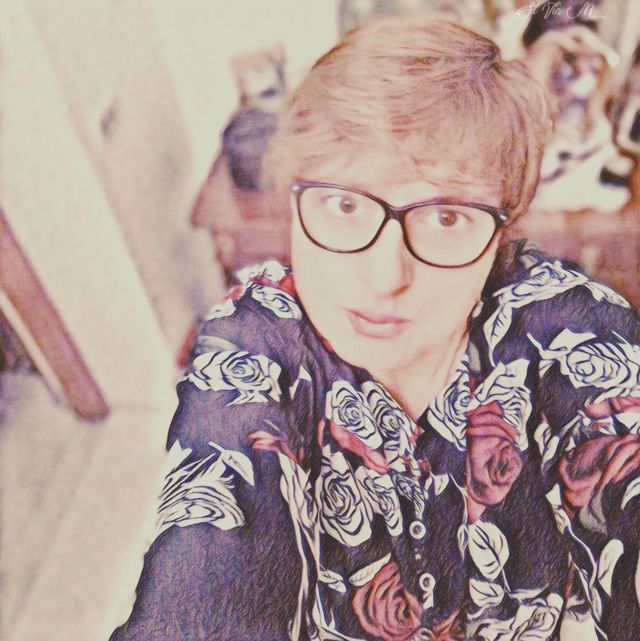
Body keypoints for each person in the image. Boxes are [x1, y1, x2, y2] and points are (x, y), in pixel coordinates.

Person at [110, 15, 640, 641]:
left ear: (503, 228)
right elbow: (208, 562)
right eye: (344, 203)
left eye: (447, 216)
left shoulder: (567, 326)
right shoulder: (258, 342)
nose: (386, 276)